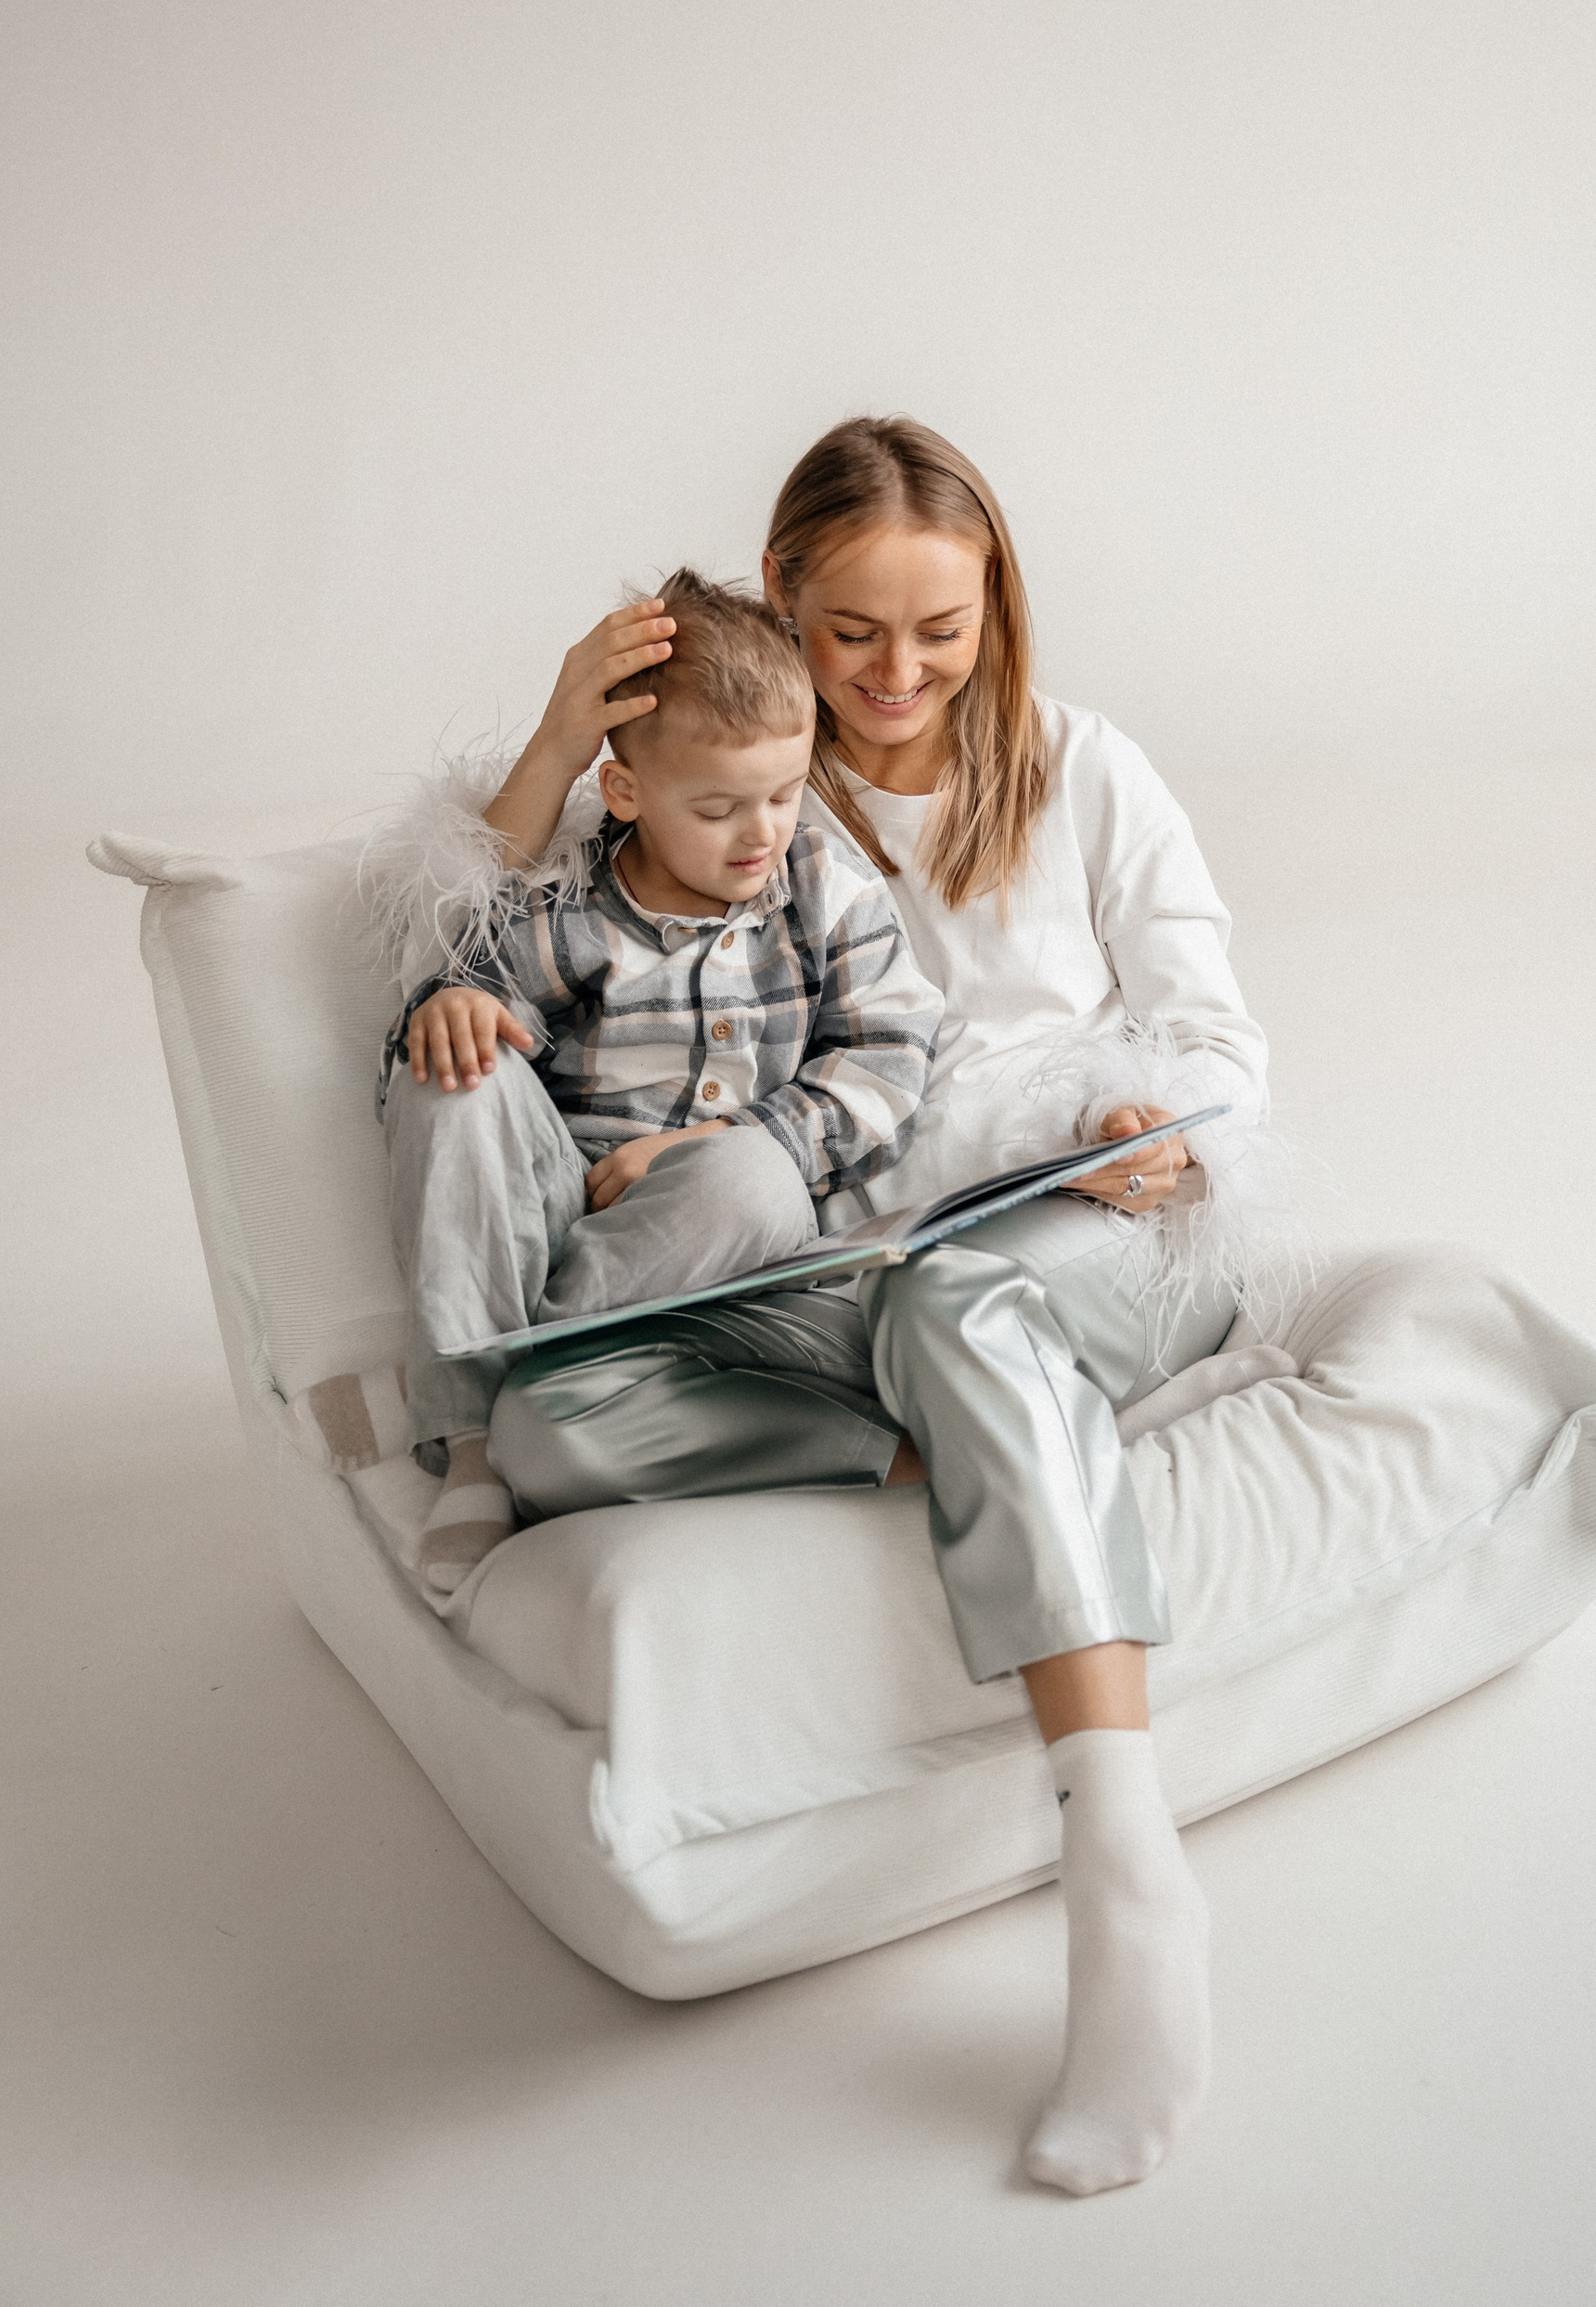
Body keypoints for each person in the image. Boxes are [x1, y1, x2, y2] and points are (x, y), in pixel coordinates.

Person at [378, 418, 1278, 2198]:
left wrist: (1152, 1126)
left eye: (941, 629)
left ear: (997, 607)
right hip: (841, 1277)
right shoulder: (750, 772)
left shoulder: (1086, 770)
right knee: (559, 1429)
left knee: (959, 1307)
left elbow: (1218, 1045)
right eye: (854, 630)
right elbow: (469, 943)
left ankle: (1123, 1868)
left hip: (1089, 1231)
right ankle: (963, 1452)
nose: (897, 674)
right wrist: (562, 737)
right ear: (784, 598)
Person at [375, 566, 943, 1592]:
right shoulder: (570, 910)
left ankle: (509, 1373)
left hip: (724, 1236)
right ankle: (473, 1443)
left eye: (784, 794)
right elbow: (458, 991)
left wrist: (710, 1144)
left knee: (755, 1175)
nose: (762, 832)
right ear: (626, 792)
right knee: (447, 1066)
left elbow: (890, 1056)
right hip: (565, 1213)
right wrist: (452, 1006)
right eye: (719, 808)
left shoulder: (823, 889)